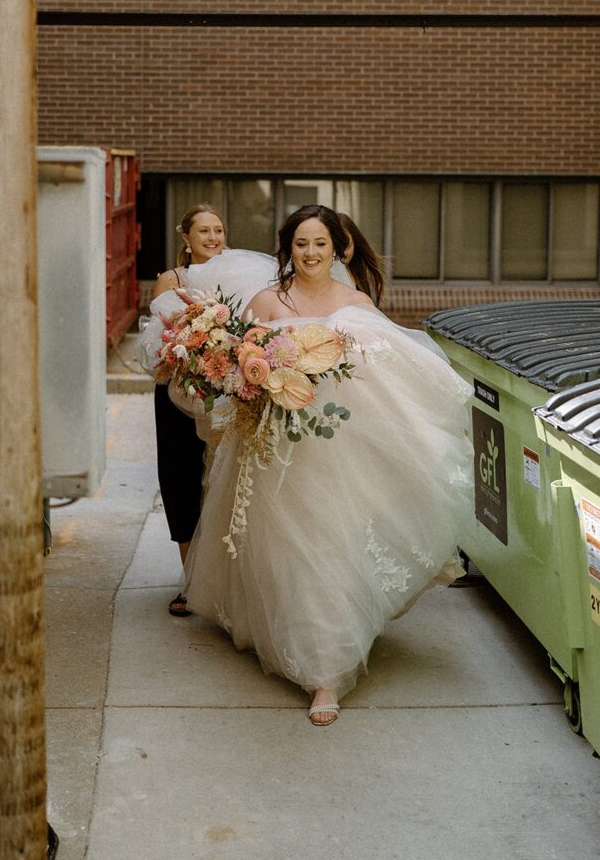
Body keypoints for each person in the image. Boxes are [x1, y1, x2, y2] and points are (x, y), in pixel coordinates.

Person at [181, 204, 473, 726]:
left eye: (320, 244)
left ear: (339, 248)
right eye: (300, 244)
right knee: (284, 554)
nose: (311, 253)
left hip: (338, 451)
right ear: (287, 249)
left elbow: (385, 375)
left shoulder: (355, 302)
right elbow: (235, 379)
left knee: (330, 552)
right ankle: (289, 637)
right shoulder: (268, 302)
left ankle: (325, 676)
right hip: (276, 449)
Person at [150, 204, 227, 616]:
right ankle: (191, 582)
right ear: (186, 238)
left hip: (227, 395)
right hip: (177, 393)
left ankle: (223, 577)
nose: (212, 238)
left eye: (218, 230)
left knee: (220, 481)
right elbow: (154, 343)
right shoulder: (170, 280)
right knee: (181, 480)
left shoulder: (238, 275)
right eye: (204, 231)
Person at [338, 211, 385, 306]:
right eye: (337, 246)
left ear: (355, 243)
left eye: (347, 245)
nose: (343, 252)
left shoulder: (363, 279)